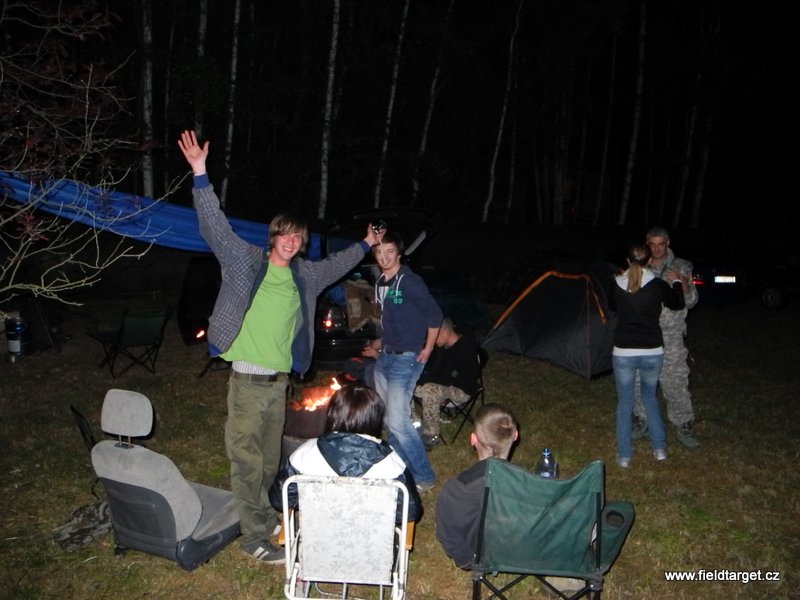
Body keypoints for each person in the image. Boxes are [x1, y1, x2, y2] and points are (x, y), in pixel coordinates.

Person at [177, 130, 385, 564]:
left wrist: (366, 243)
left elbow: (337, 263)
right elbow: (214, 226)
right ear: (273, 236)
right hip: (247, 382)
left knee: (270, 463)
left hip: (278, 385)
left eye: (298, 236)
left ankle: (262, 515)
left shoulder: (303, 275)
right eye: (285, 234)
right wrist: (199, 173)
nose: (292, 241)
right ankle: (253, 537)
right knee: (247, 463)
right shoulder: (244, 262)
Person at [268, 384, 422, 523]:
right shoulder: (391, 462)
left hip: (317, 541)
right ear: (375, 418)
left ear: (332, 413)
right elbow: (410, 512)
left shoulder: (305, 453)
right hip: (372, 542)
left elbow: (279, 500)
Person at [372, 231, 442, 491]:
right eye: (380, 252)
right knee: (391, 419)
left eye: (390, 251)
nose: (385, 257)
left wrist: (428, 348)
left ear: (399, 254)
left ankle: (425, 476)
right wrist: (379, 344)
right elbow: (390, 319)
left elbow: (435, 315)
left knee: (399, 423)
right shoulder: (381, 281)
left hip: (406, 359)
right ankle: (396, 465)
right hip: (385, 358)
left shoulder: (410, 281)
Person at [608, 244, 685, 468]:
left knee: (625, 403)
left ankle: (624, 456)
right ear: (649, 260)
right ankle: (659, 449)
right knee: (649, 398)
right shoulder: (658, 284)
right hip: (652, 351)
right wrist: (677, 282)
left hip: (624, 352)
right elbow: (677, 303)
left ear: (627, 260)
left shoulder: (617, 284)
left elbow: (612, 307)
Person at [632, 226, 701, 448]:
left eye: (661, 244)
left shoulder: (681, 266)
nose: (657, 249)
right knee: (640, 379)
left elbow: (691, 302)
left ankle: (683, 423)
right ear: (647, 244)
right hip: (644, 333)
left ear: (668, 242)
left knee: (674, 381)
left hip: (671, 335)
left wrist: (683, 282)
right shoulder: (640, 266)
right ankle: (641, 419)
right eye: (652, 244)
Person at [435, 403, 519, 569]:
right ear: (515, 436)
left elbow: (448, 536)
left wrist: (465, 559)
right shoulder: (528, 484)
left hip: (476, 559)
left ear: (473, 439)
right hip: (519, 553)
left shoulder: (454, 490)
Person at [414, 317, 480, 449]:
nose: (432, 339)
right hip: (443, 384)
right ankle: (413, 422)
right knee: (405, 382)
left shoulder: (465, 348)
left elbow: (447, 379)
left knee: (430, 390)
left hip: (461, 389)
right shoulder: (442, 346)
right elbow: (433, 370)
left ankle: (431, 435)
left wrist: (422, 381)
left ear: (443, 332)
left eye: (434, 335)